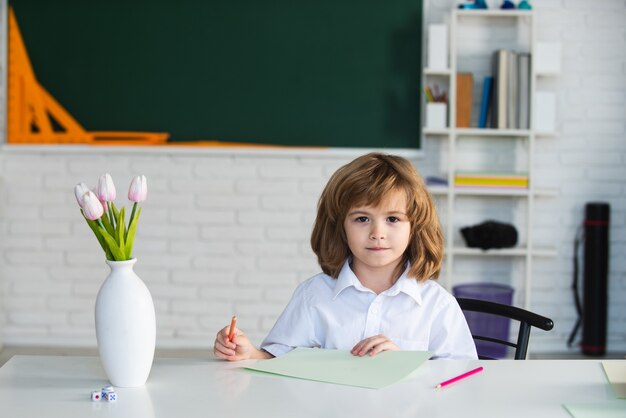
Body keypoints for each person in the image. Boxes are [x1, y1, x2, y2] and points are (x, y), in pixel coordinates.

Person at [213, 152, 477, 360]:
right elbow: (278, 360)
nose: (377, 233)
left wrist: (403, 366)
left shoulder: (437, 305)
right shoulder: (314, 295)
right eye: (362, 218)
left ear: (415, 227)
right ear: (340, 227)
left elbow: (461, 378)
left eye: (393, 219)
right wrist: (248, 354)